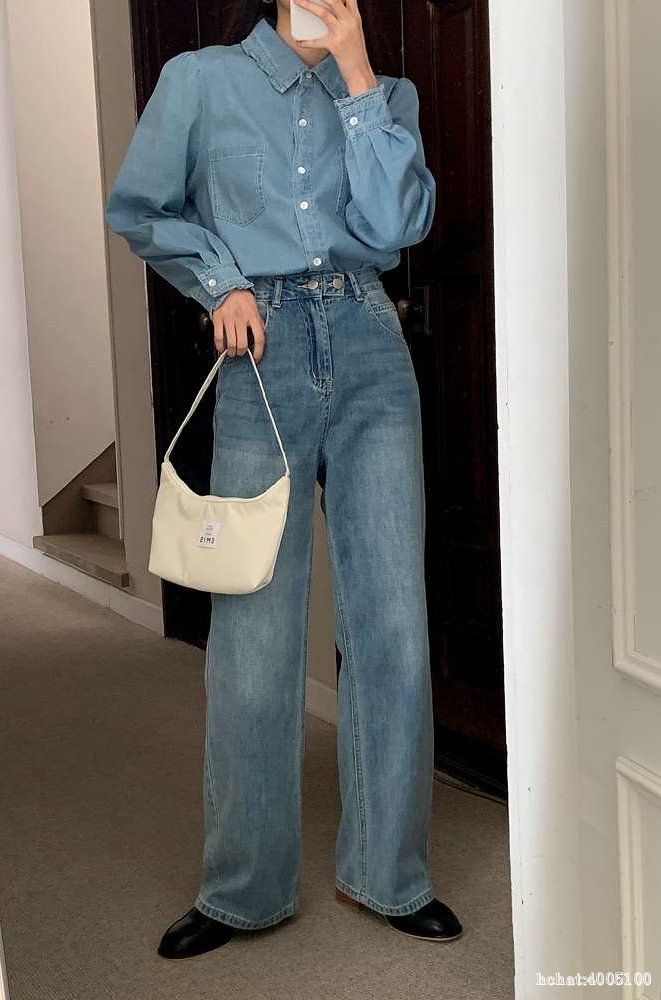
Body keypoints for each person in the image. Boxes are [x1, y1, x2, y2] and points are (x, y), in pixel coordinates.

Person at [105, 0, 463, 960]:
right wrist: (219, 281)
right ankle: (241, 888)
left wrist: (357, 75)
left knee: (393, 620)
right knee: (254, 625)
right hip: (259, 349)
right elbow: (142, 208)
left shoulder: (386, 93)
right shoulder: (200, 80)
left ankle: (389, 874)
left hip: (371, 343)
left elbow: (400, 222)